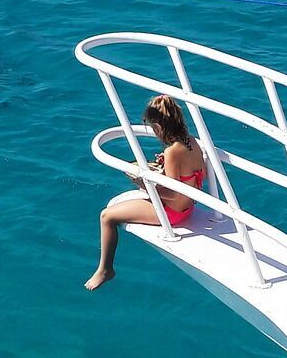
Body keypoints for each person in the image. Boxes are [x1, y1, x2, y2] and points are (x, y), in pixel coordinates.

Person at [85, 94, 207, 290]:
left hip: (171, 213)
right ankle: (105, 270)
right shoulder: (192, 142)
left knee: (107, 216)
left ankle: (105, 269)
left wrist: (142, 183)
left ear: (158, 127)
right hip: (188, 208)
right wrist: (165, 169)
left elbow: (173, 193)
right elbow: (198, 174)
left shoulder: (172, 152)